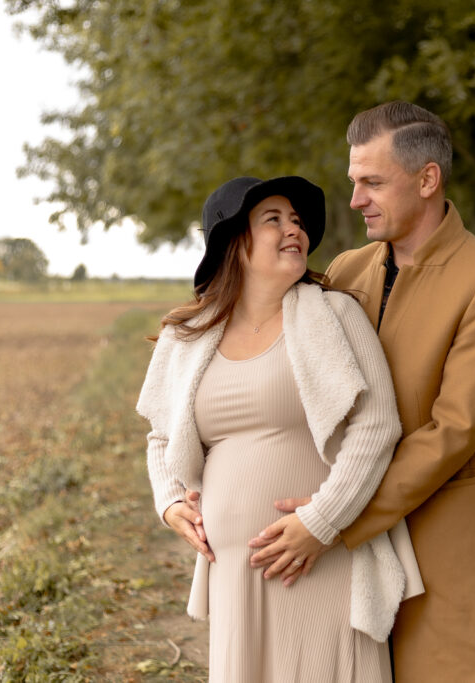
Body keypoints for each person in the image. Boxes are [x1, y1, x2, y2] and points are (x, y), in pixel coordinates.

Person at [248, 102, 475, 681]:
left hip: (441, 532)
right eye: (354, 181)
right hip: (341, 543)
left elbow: (454, 431)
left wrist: (332, 518)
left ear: (427, 179)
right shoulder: (346, 271)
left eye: (372, 182)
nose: (355, 200)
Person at [136, 175, 423, 682]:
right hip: (237, 572)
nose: (294, 229)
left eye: (297, 220)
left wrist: (321, 523)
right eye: (274, 219)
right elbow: (162, 436)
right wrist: (170, 501)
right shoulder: (187, 336)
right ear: (233, 240)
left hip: (322, 556)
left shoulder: (334, 314)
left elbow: (377, 425)